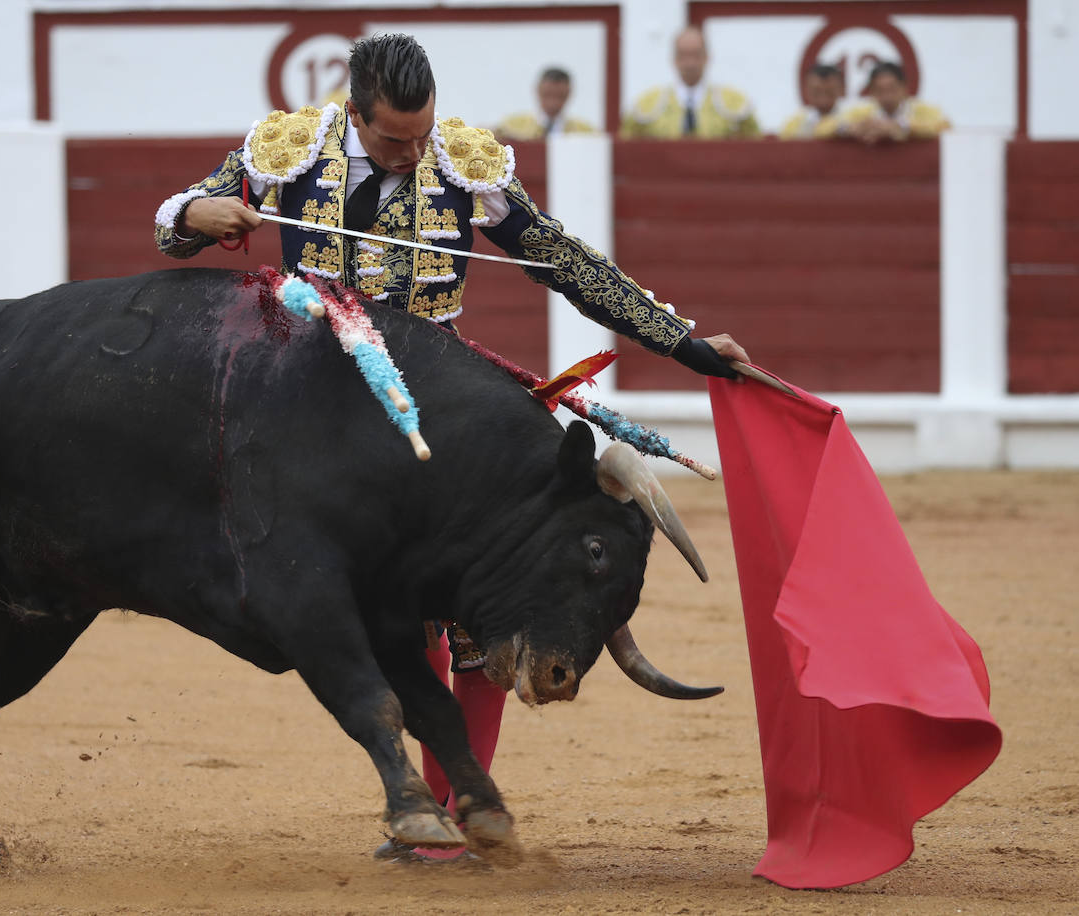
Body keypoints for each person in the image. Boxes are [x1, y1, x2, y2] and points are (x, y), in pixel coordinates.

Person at [153, 32, 750, 863]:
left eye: (422, 131)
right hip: (309, 414)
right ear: (353, 112)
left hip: (438, 419)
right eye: (394, 138)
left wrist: (681, 341)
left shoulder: (466, 165)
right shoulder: (288, 150)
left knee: (475, 612)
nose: (413, 151)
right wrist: (196, 212)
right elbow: (172, 233)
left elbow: (568, 264)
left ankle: (451, 812)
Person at [621, 26, 759, 140]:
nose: (690, 63)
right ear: (674, 59)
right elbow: (626, 143)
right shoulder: (647, 103)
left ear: (706, 57)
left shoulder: (734, 101)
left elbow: (755, 143)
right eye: (683, 56)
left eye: (696, 55)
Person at [831, 60, 951, 143]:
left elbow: (946, 127)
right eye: (880, 90)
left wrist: (902, 127)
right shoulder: (861, 113)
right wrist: (848, 128)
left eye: (892, 89)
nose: (887, 96)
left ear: (904, 88)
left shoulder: (924, 110)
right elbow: (820, 127)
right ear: (871, 91)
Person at [495, 67, 597, 140]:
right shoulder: (511, 126)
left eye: (559, 96)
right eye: (548, 95)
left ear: (569, 94)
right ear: (538, 91)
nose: (553, 102)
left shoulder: (585, 132)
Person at [779, 63, 844, 140]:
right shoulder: (794, 125)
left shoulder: (855, 117)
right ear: (806, 90)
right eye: (817, 91)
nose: (823, 97)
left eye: (829, 91)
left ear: (841, 89)